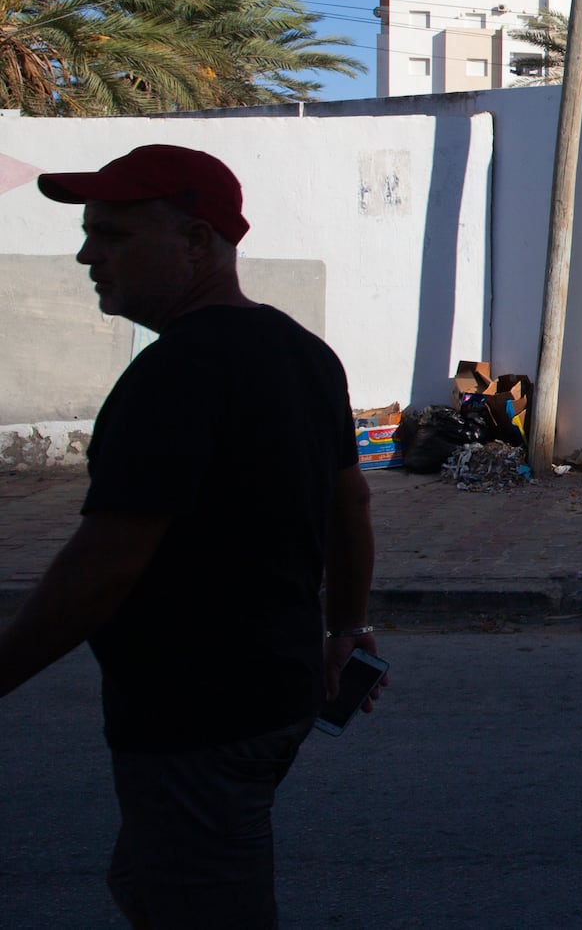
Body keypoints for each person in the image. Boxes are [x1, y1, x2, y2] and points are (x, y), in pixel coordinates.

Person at [0, 144, 384, 925]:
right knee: (157, 878)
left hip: (197, 714)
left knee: (193, 899)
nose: (86, 254)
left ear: (198, 241)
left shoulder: (176, 373)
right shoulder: (303, 353)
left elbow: (103, 568)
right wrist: (347, 626)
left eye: (112, 234)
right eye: (89, 232)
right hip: (274, 694)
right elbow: (353, 506)